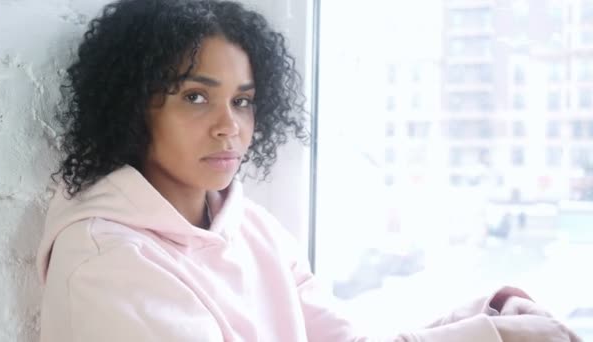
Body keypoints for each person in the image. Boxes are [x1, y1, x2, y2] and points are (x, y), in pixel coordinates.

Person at [36, 0, 582, 341]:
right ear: (132, 107)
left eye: (244, 101)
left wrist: (492, 324)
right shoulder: (105, 264)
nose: (230, 127)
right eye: (196, 98)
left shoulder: (251, 229)